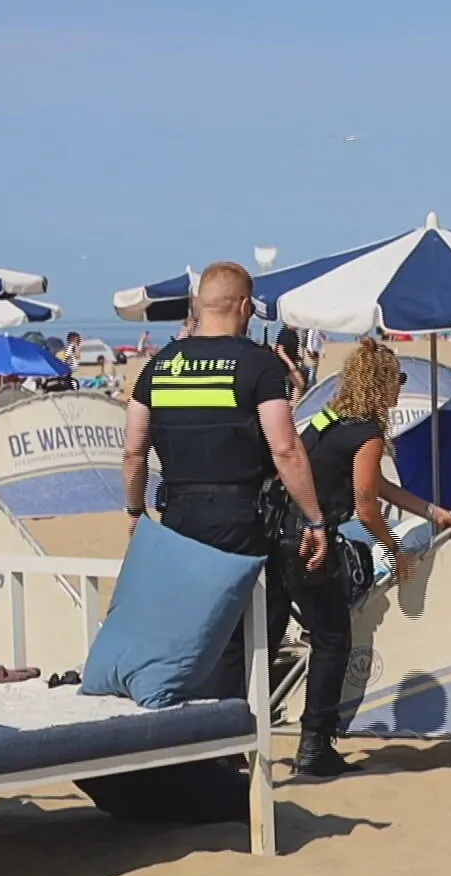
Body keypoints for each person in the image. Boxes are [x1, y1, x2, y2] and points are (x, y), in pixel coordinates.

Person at [123, 260, 330, 703]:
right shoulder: (257, 365)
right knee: (250, 626)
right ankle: (228, 733)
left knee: (191, 622)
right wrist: (315, 519)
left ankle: (187, 723)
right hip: (242, 516)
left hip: (177, 514)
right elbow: (285, 448)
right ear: (242, 306)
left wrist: (134, 512)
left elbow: (133, 450)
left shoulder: (160, 365)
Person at [276, 338, 451, 777]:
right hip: (310, 546)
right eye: (396, 378)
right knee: (332, 640)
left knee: (273, 639)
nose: (400, 386)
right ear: (380, 384)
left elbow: (373, 485)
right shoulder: (368, 434)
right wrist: (395, 551)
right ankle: (314, 746)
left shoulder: (327, 421)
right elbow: (366, 507)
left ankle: (239, 736)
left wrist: (431, 512)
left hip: (280, 538)